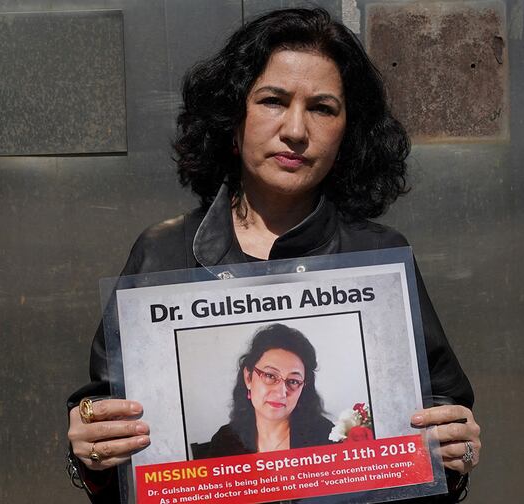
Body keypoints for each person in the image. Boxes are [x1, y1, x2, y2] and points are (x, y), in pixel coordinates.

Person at [66, 7, 481, 503]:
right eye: (273, 101)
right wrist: (93, 446)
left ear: (349, 128)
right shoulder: (162, 252)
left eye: (323, 108)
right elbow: (111, 430)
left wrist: (453, 451)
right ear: (232, 116)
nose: (296, 130)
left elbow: (439, 413)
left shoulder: (379, 256)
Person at [196, 323, 334, 459]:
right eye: (270, 376)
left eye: (293, 381)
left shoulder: (325, 437)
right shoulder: (224, 442)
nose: (281, 393)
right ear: (248, 377)